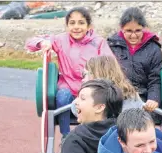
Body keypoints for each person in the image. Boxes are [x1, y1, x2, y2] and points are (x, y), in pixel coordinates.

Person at [0, 79, 123, 153]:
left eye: (82, 98)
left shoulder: (77, 140)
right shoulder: (119, 130)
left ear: (100, 107)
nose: (76, 102)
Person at [25, 7, 113, 139]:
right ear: (67, 26)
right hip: (70, 90)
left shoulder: (98, 42)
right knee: (62, 95)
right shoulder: (61, 40)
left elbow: (109, 63)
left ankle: (93, 134)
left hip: (92, 89)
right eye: (72, 23)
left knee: (102, 98)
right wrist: (43, 42)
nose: (76, 27)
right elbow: (30, 43)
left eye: (81, 23)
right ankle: (66, 135)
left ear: (89, 26)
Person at [107, 7, 162, 118]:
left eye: (138, 31)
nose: (133, 35)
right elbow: (105, 73)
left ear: (144, 28)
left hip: (141, 95)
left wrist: (153, 98)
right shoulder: (111, 45)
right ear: (121, 28)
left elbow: (155, 78)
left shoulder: (154, 49)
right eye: (129, 31)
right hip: (115, 94)